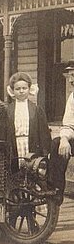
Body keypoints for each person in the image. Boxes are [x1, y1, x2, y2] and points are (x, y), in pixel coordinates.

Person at [0, 72, 51, 170]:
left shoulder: (37, 110)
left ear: (29, 89)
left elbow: (44, 134)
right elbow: (1, 134)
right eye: (18, 89)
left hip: (31, 144)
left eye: (24, 88)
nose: (21, 91)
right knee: (14, 173)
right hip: (13, 145)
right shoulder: (6, 110)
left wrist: (45, 152)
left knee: (31, 172)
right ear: (12, 91)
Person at [48, 65, 74, 205]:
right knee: (57, 143)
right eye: (69, 76)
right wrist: (64, 138)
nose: (70, 80)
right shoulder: (73, 96)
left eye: (73, 75)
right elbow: (69, 124)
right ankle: (56, 190)